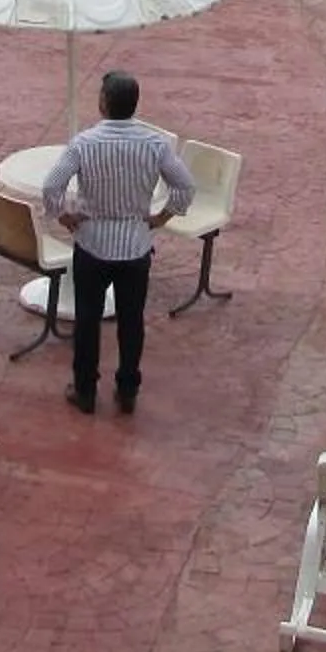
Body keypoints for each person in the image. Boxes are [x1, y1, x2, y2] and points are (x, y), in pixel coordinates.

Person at [40, 71, 196, 415]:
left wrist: (64, 217)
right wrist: (160, 218)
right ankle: (127, 388)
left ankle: (85, 390)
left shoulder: (83, 143)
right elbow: (185, 186)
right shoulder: (155, 144)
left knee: (87, 320)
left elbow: (51, 187)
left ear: (103, 102)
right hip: (135, 246)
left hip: (92, 244)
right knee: (131, 321)